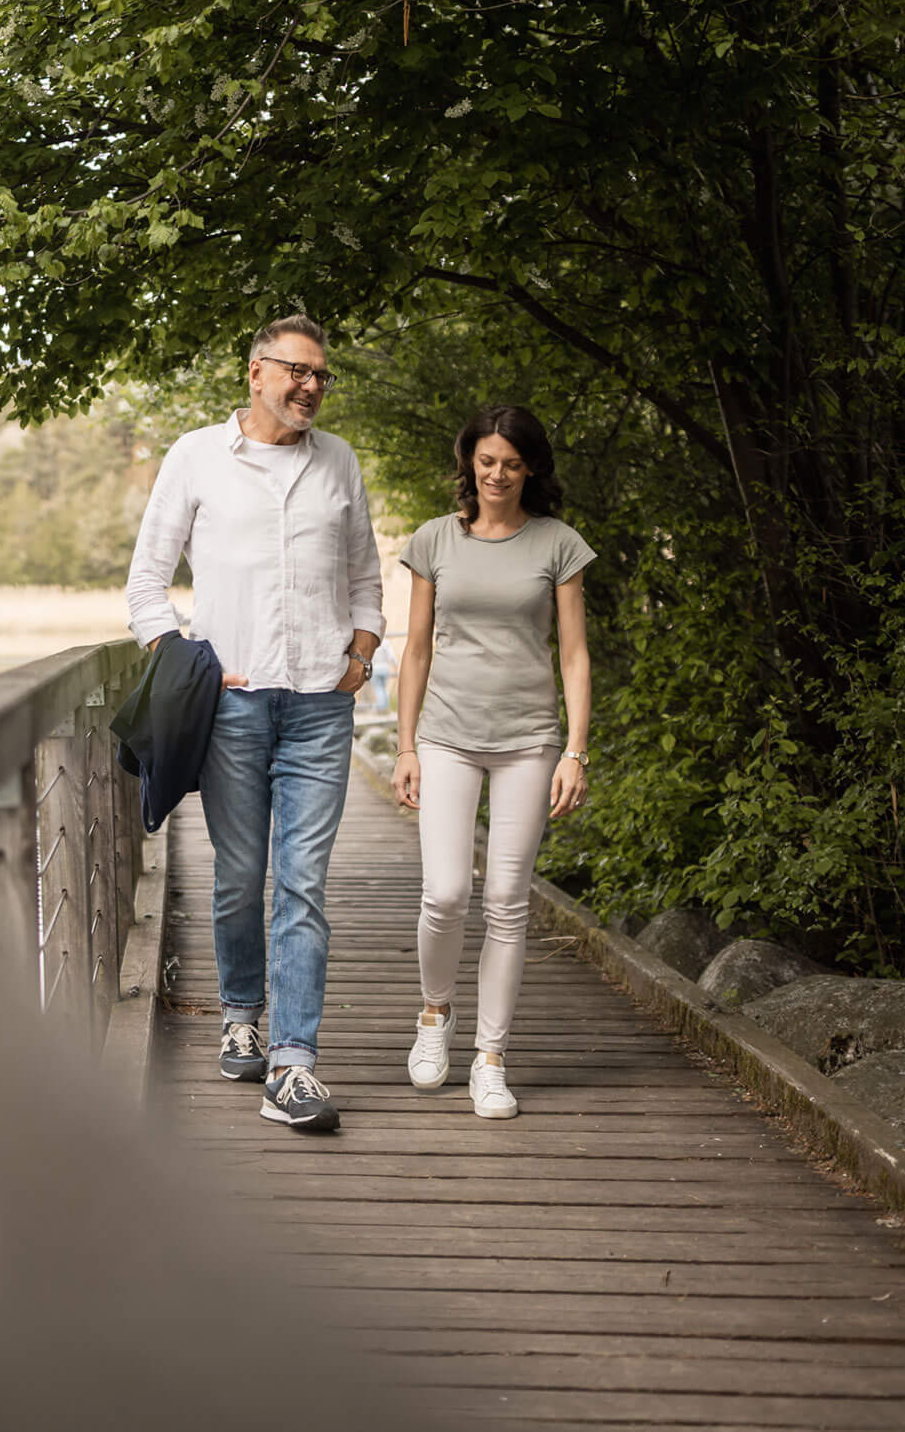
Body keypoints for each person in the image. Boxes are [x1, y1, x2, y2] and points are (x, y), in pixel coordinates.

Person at [125, 316, 385, 1133]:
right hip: (232, 708)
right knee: (240, 879)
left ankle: (294, 1065)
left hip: (321, 709)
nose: (310, 386)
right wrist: (186, 658)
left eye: (321, 375)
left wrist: (364, 651)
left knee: (302, 885)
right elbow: (145, 585)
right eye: (296, 371)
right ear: (255, 373)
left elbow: (366, 575)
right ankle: (241, 1010)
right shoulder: (197, 457)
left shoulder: (337, 462)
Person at [390, 404, 593, 1120]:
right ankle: (434, 1014)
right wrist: (405, 744)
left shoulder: (558, 544)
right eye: (486, 461)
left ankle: (491, 1058)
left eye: (511, 463)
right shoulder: (434, 540)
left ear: (530, 467)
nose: (497, 474)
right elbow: (416, 649)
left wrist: (574, 749)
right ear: (468, 463)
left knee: (507, 902)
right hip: (445, 733)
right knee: (445, 893)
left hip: (529, 741)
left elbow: (572, 653)